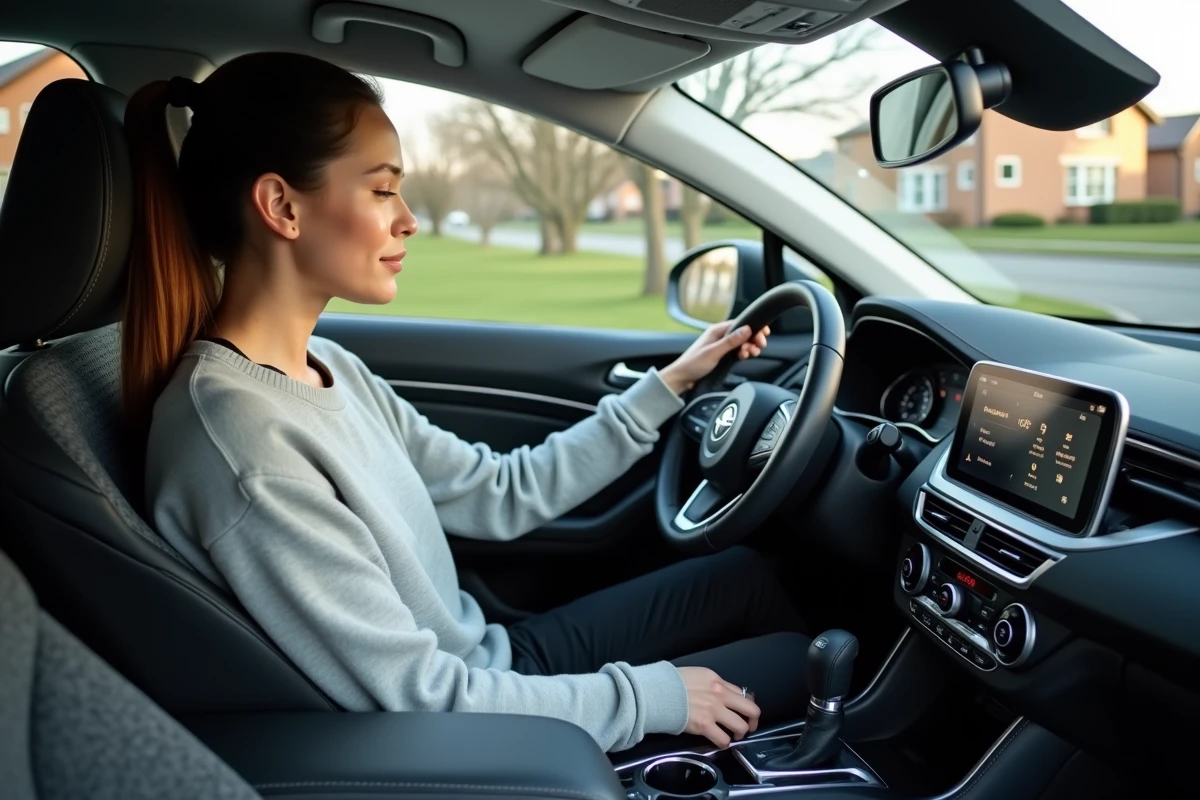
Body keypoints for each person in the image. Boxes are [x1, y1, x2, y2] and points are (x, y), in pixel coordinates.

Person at [125, 52, 808, 754]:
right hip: (483, 723)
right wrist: (651, 697)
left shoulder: (329, 367)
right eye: (383, 190)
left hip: (498, 658)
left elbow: (498, 490)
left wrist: (672, 383)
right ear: (282, 207)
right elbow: (424, 696)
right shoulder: (244, 447)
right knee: (807, 662)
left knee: (752, 577)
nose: (410, 219)